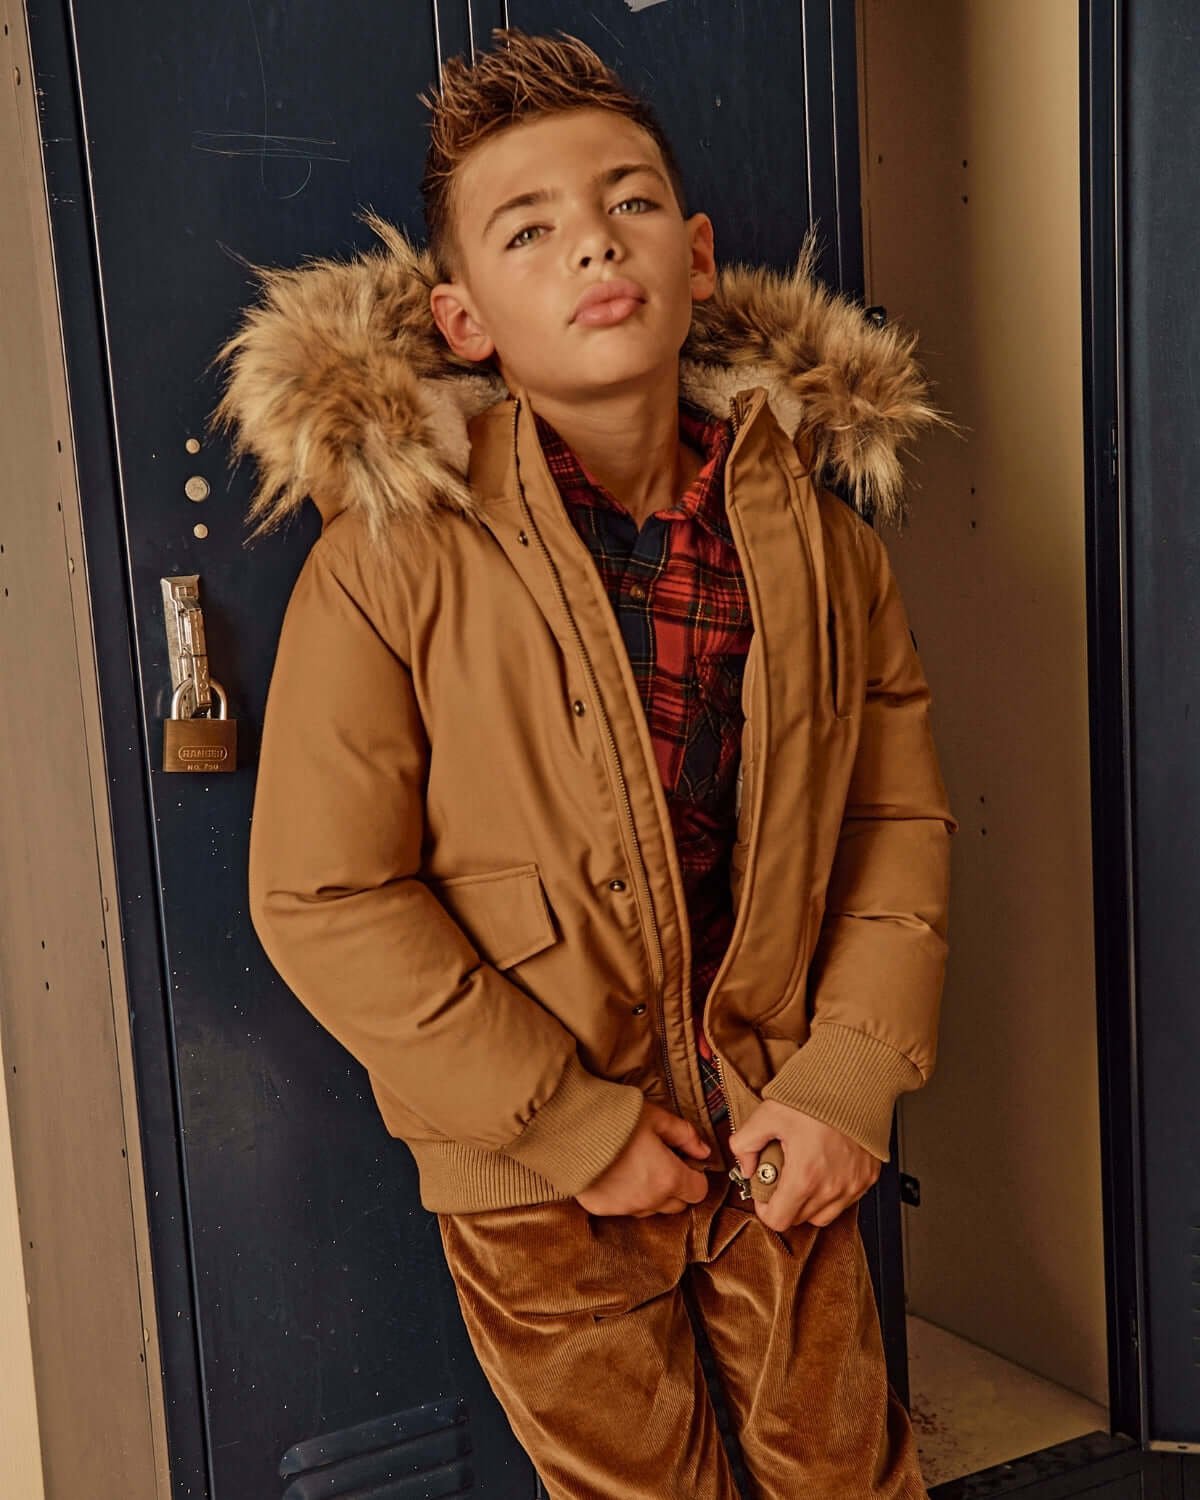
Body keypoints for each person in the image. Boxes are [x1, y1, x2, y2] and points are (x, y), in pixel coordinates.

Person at [215, 27, 955, 1500]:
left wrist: (850, 1079)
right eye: (528, 231)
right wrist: (570, 1125)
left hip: (777, 1119)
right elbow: (323, 895)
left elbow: (894, 820)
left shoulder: (822, 543)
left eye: (627, 204)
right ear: (463, 318)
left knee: (850, 1476)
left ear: (695, 253)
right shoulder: (391, 563)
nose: (593, 246)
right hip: (537, 1175)